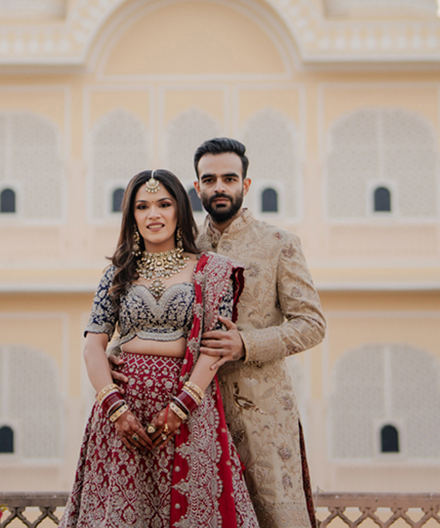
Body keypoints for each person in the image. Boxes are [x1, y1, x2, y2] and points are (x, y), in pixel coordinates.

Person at [63, 169, 259, 528]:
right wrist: (114, 406)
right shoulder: (117, 273)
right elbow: (94, 344)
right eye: (142, 206)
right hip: (123, 413)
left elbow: (213, 349)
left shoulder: (210, 271)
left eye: (163, 204)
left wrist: (181, 406)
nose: (153, 214)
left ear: (179, 211)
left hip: (190, 408)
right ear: (132, 215)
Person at [194, 137, 326, 528]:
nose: (219, 187)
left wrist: (246, 344)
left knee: (275, 518)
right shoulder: (187, 249)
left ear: (245, 185)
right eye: (210, 179)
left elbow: (312, 324)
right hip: (198, 410)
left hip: (263, 414)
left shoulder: (278, 244)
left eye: (229, 178)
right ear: (197, 186)